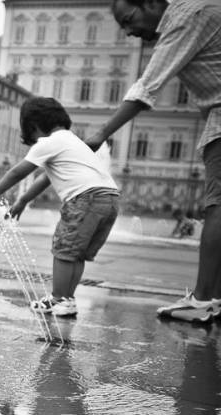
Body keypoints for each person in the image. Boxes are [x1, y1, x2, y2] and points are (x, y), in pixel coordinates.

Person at [24, 0, 220, 322]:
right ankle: (212, 297)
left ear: (151, 3)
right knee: (75, 253)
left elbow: (147, 86)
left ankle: (203, 300)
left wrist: (102, 132)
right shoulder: (200, 12)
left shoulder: (185, 19)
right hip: (108, 198)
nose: (129, 32)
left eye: (129, 20)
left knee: (217, 208)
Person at [0, 97, 119, 317]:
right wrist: (23, 200)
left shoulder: (47, 143)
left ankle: (58, 298)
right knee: (77, 254)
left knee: (64, 250)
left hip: (85, 198)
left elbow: (17, 172)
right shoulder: (74, 142)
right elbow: (45, 178)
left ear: (34, 126)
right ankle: (66, 300)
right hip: (110, 199)